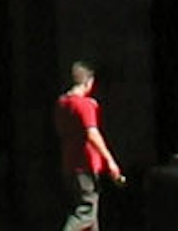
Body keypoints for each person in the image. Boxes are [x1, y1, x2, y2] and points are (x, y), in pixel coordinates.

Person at [54, 61, 125, 231]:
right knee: (85, 211)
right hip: (85, 164)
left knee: (91, 219)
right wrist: (110, 161)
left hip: (69, 164)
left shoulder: (62, 103)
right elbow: (92, 134)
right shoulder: (84, 105)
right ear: (88, 82)